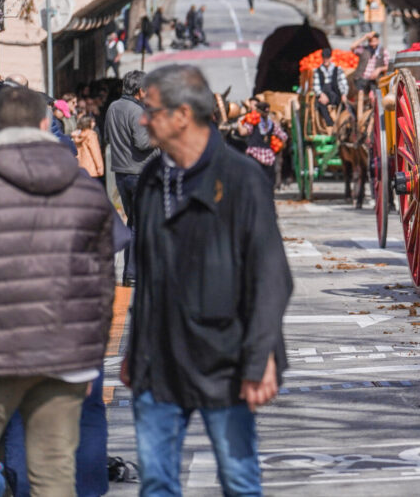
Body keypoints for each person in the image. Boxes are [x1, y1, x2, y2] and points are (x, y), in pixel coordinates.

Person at [120, 64, 293, 496]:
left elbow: (270, 276)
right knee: (157, 483)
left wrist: (260, 360)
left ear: (182, 115)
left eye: (151, 110)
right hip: (158, 362)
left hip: (226, 361)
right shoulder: (150, 182)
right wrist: (134, 350)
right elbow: (147, 274)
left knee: (238, 480)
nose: (142, 119)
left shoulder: (241, 179)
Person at [0, 85, 117, 495]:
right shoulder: (84, 190)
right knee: (53, 473)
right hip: (65, 351)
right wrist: (90, 354)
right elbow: (103, 283)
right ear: (46, 123)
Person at [104, 70, 158, 286]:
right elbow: (143, 143)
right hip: (140, 173)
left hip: (121, 173)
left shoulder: (113, 107)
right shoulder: (137, 112)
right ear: (140, 90)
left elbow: (108, 136)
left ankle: (131, 272)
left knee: (133, 222)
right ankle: (134, 273)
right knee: (140, 225)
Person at [238, 101, 288, 187]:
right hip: (268, 157)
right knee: (267, 181)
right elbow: (284, 136)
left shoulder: (252, 122)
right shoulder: (272, 124)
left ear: (257, 111)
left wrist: (239, 123)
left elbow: (243, 132)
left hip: (254, 154)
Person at [312, 51, 349, 130]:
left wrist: (344, 94)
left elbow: (342, 83)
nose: (326, 60)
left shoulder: (337, 69)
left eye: (327, 58)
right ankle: (329, 124)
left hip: (335, 93)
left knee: (342, 104)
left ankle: (342, 125)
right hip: (323, 94)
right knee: (320, 103)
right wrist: (321, 94)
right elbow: (316, 86)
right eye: (324, 58)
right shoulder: (317, 71)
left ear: (331, 58)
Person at [73, 115, 104, 180]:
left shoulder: (77, 135)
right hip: (91, 169)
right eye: (92, 122)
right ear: (88, 123)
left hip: (80, 168)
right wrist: (100, 167)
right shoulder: (91, 135)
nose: (94, 123)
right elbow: (95, 152)